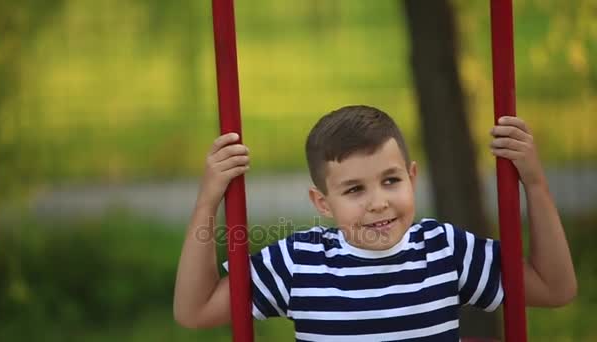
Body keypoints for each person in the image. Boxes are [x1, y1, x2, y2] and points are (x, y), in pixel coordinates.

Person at [173, 105, 577, 341]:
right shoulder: (300, 263)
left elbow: (555, 288)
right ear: (322, 203)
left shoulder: (444, 250)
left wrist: (535, 183)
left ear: (412, 178)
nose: (378, 203)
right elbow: (195, 311)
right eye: (354, 190)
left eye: (391, 181)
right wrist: (209, 198)